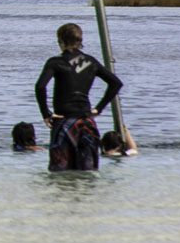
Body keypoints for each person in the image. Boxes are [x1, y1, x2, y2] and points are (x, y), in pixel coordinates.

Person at [34, 22, 122, 171]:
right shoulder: (90, 62)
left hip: (64, 122)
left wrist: (46, 113)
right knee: (88, 171)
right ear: (80, 41)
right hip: (87, 122)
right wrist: (98, 109)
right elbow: (115, 83)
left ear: (60, 41)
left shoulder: (55, 62)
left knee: (59, 172)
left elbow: (40, 87)